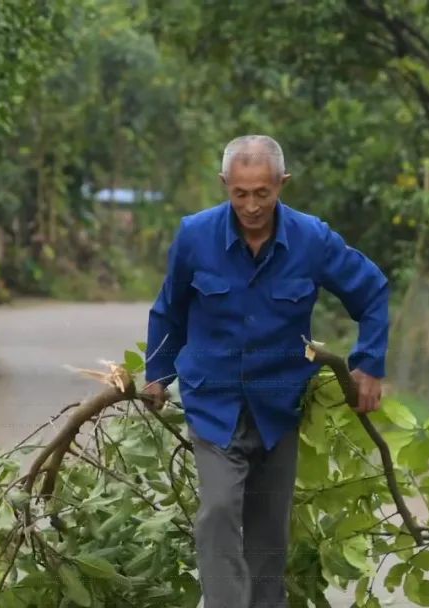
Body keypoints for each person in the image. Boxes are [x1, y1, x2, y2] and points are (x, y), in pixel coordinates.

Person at [142, 134, 390, 607]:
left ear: (282, 183)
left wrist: (369, 365)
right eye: (240, 193)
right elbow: (169, 310)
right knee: (216, 511)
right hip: (213, 402)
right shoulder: (196, 235)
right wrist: (158, 374)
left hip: (279, 404)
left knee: (267, 538)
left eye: (263, 192)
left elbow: (372, 291)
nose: (252, 205)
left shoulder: (312, 239)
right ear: (224, 185)